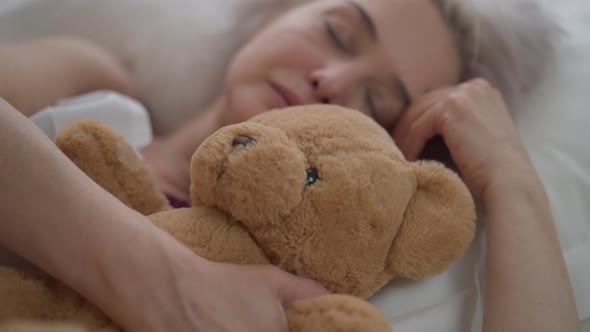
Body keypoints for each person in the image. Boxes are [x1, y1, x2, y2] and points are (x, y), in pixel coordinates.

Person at [0, 0, 579, 331]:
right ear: (277, 11)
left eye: (378, 102)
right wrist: (162, 279)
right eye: (337, 32)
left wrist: (511, 180)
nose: (332, 81)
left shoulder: (296, 293)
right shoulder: (93, 87)